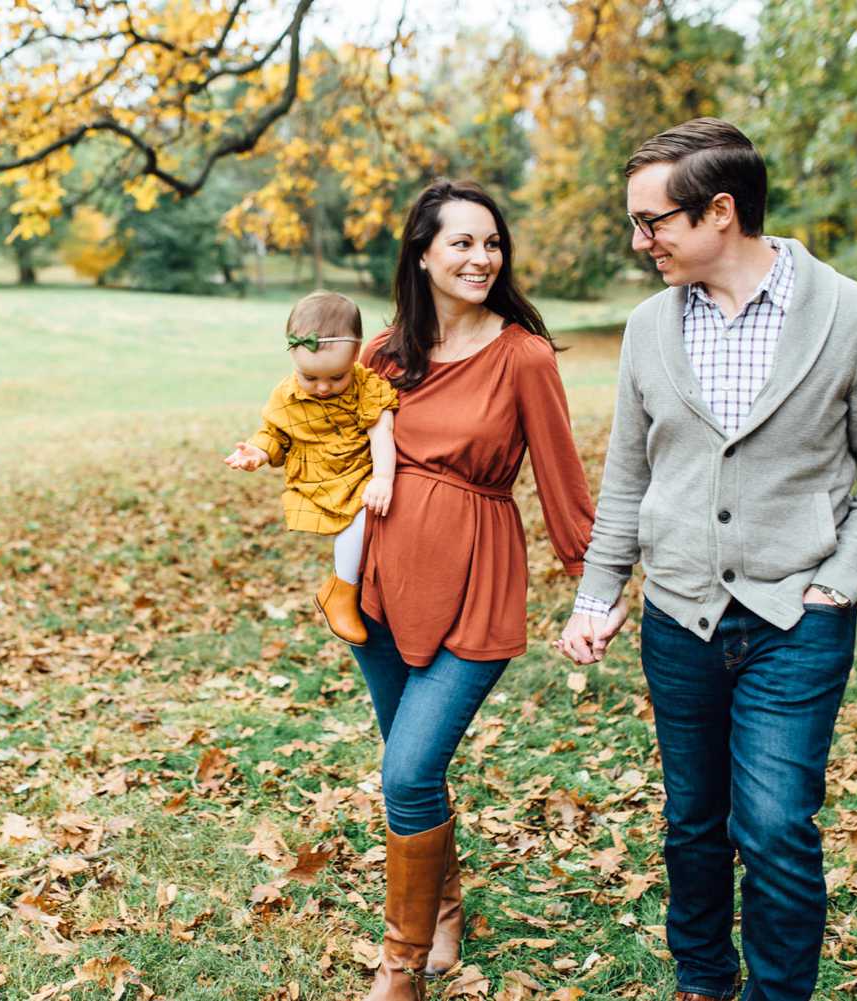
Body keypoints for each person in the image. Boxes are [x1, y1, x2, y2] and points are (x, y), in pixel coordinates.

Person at [558, 119, 857, 1001]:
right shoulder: (650, 327)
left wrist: (838, 581)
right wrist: (597, 592)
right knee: (692, 821)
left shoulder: (853, 315)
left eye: (654, 223)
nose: (640, 241)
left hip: (796, 619)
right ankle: (703, 976)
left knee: (775, 826)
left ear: (720, 211)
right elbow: (627, 471)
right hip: (677, 616)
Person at [353, 179, 595, 1000]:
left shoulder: (521, 353)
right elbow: (336, 449)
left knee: (409, 769)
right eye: (461, 242)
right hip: (382, 589)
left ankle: (400, 968)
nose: (480, 257)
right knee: (407, 766)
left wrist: (591, 587)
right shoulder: (383, 357)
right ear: (422, 253)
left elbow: (563, 481)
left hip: (476, 585)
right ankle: (444, 905)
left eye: (491, 243)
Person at [225, 290, 398, 645]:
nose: (322, 388)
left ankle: (344, 588)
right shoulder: (286, 395)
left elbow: (382, 429)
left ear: (355, 354)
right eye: (310, 377)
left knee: (368, 512)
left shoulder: (367, 387)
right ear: (292, 358)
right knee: (358, 518)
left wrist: (383, 477)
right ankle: (342, 590)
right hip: (321, 476)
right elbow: (275, 433)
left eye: (336, 378)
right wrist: (256, 453)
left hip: (360, 471)